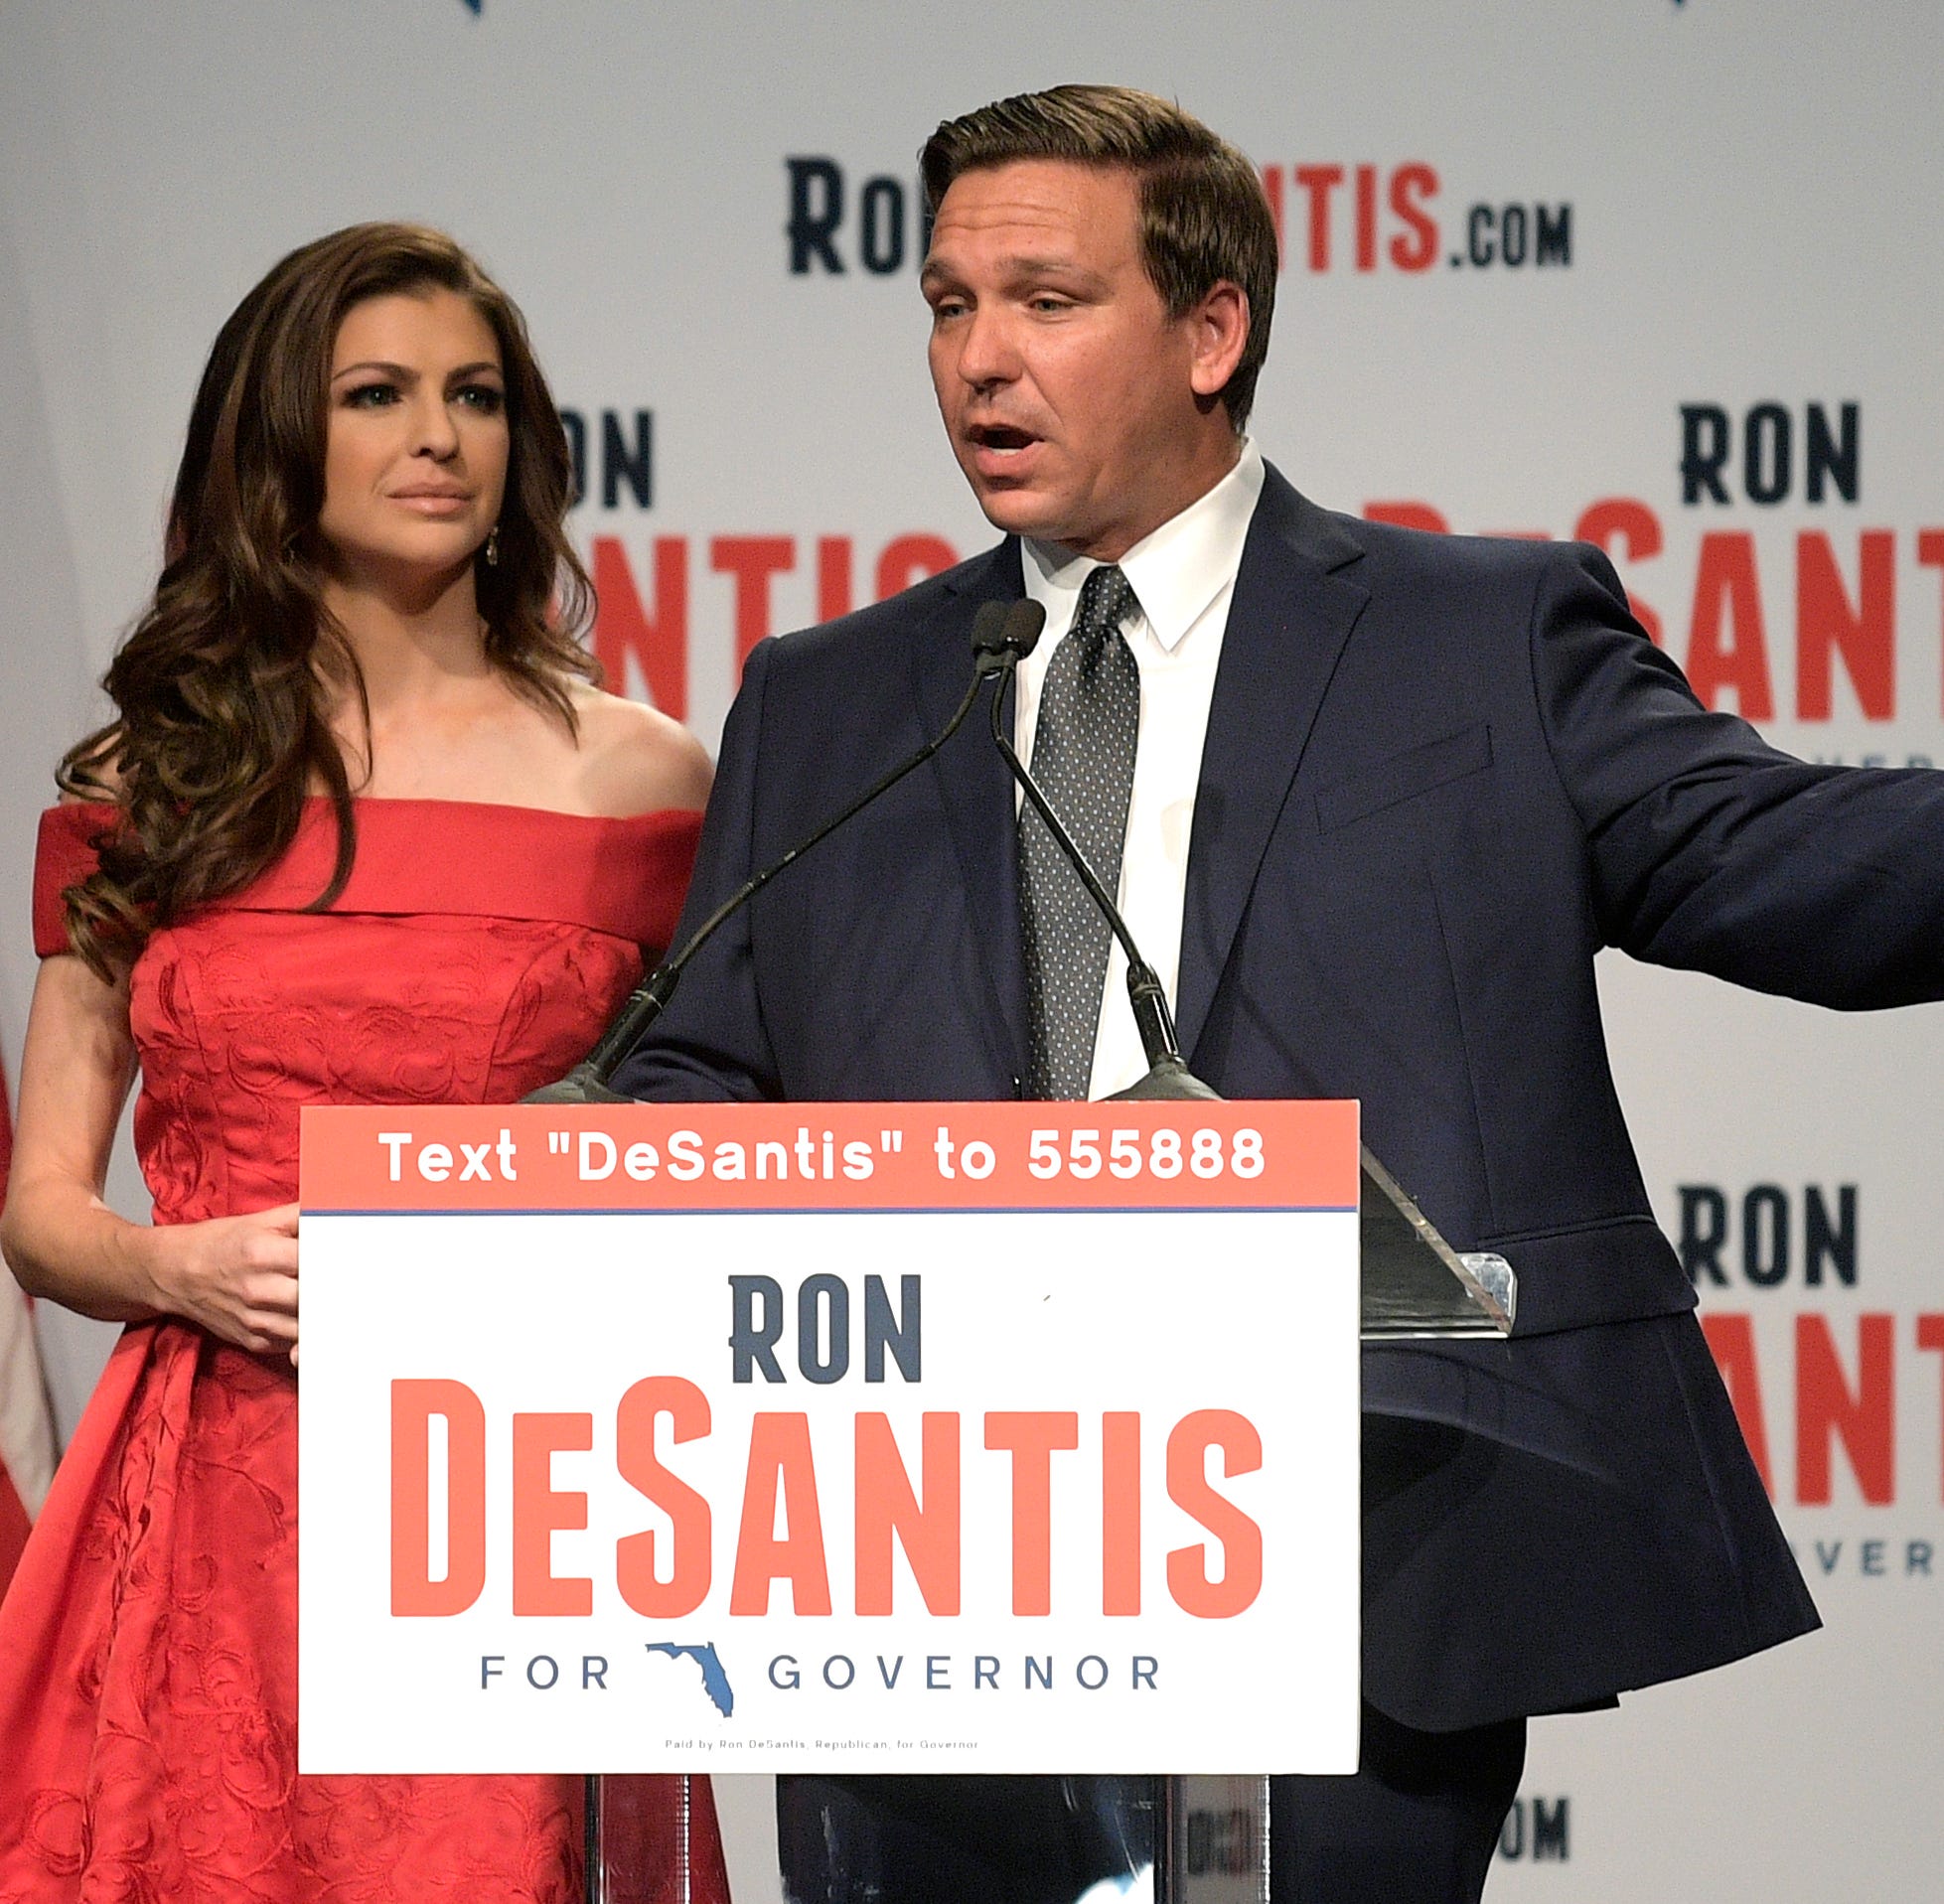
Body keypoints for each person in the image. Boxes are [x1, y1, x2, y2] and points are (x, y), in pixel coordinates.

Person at [609, 85, 1944, 1904]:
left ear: (1212, 329)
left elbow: (1779, 860)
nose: (978, 361)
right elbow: (704, 1067)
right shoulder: (828, 697)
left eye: (1044, 301)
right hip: (908, 1567)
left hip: (1344, 1543)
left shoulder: (1475, 634)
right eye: (945, 306)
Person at [0, 222, 729, 1901]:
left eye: (474, 396)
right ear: (278, 442)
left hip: (519, 1487)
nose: (437, 437)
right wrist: (169, 1263)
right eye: (378, 395)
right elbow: (41, 1210)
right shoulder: (155, 774)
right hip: (213, 1492)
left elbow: (704, 1144)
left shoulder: (644, 778)